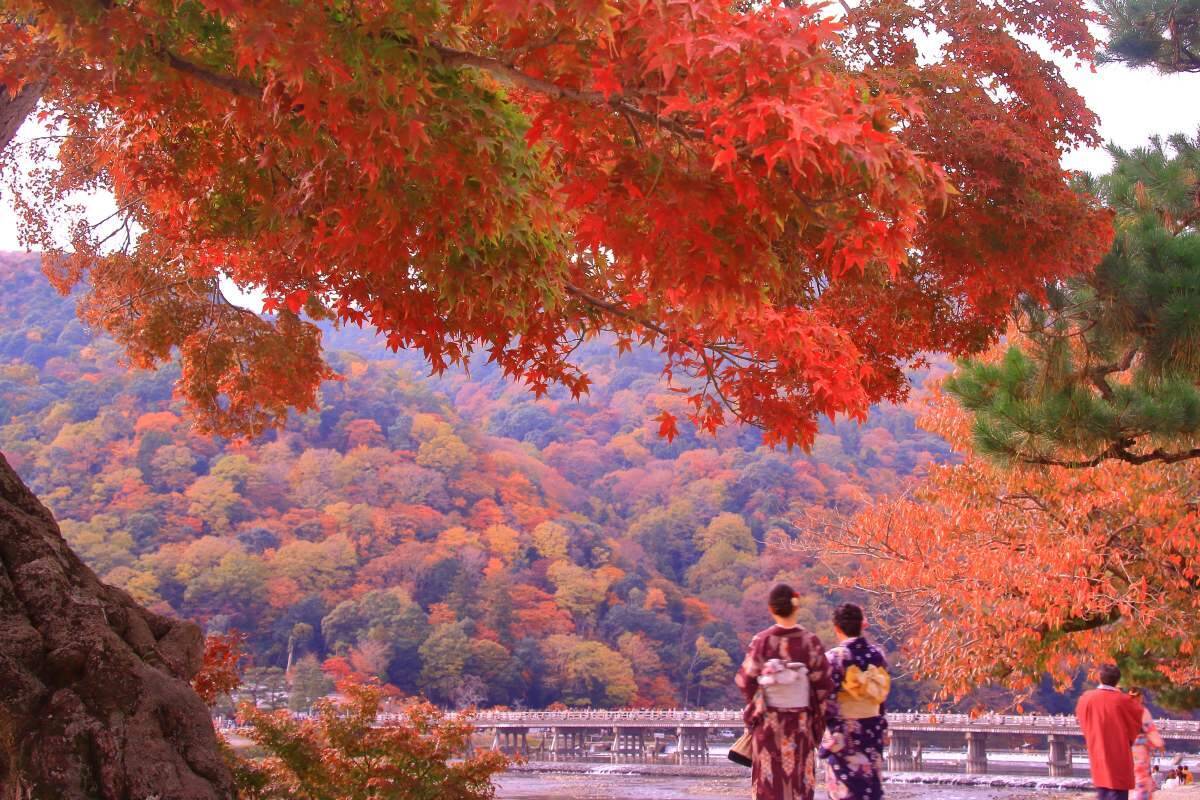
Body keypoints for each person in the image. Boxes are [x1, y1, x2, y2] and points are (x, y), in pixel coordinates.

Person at [735, 583, 834, 800]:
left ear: (771, 608)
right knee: (799, 784)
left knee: (768, 786)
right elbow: (824, 686)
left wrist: (758, 704)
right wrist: (816, 724)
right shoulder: (810, 642)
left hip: (769, 725)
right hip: (800, 726)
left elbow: (745, 680)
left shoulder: (762, 641)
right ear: (796, 607)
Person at [819, 603, 891, 800]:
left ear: (836, 627)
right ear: (862, 625)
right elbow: (881, 697)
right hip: (872, 730)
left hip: (844, 735)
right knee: (870, 790)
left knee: (845, 791)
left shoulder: (833, 658)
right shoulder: (877, 655)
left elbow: (825, 702)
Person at [1076, 664, 1146, 800]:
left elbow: (1083, 721)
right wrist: (1128, 739)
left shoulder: (1086, 698)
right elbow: (1138, 722)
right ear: (1117, 680)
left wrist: (1093, 735)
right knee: (1117, 791)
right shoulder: (1125, 701)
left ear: (1099, 677)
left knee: (1102, 790)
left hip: (1097, 752)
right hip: (1120, 754)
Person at [1128, 689, 1164, 800]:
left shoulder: (1123, 710)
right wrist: (1159, 744)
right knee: (1142, 777)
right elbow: (1150, 729)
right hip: (1140, 747)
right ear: (1139, 697)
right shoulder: (1142, 711)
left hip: (1126, 747)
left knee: (1133, 777)